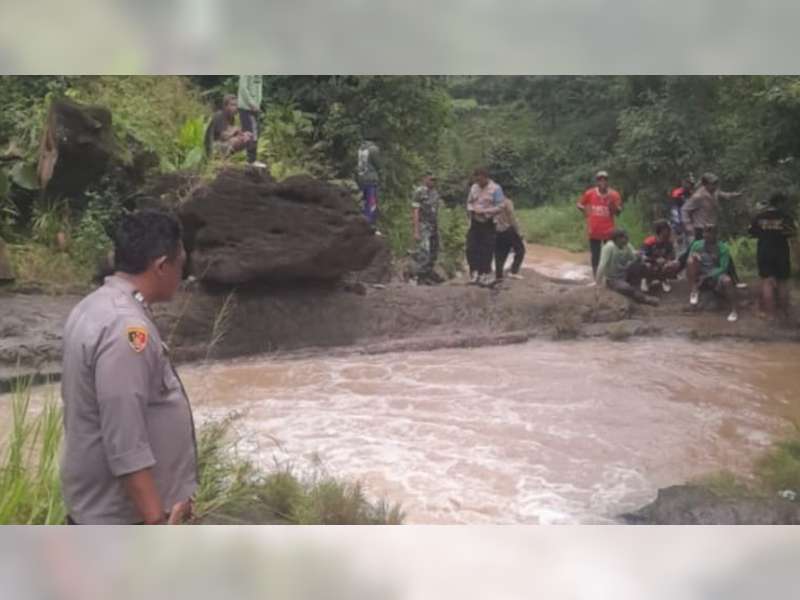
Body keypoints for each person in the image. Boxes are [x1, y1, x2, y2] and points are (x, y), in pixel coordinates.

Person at [60, 210, 197, 525]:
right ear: (162, 266)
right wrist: (155, 521)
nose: (183, 274)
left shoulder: (94, 306)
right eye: (181, 264)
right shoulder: (126, 329)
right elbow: (125, 441)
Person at [680, 171, 746, 287]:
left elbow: (723, 194)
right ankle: (689, 277)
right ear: (705, 184)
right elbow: (684, 210)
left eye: (716, 184)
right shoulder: (698, 196)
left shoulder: (714, 192)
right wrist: (688, 226)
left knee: (718, 252)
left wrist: (735, 195)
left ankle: (728, 278)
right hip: (701, 229)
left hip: (712, 228)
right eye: (712, 184)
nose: (715, 186)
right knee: (696, 254)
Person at [748, 192, 796, 320]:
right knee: (782, 282)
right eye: (784, 203)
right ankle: (785, 314)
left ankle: (771, 315)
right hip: (781, 253)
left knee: (767, 282)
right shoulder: (786, 217)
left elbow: (752, 233)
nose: (786, 205)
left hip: (764, 252)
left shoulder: (759, 217)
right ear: (779, 202)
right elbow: (792, 236)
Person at [686, 226, 739, 322]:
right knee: (690, 261)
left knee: (727, 281)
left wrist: (708, 276)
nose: (707, 235)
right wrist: (695, 256)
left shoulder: (723, 248)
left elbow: (723, 268)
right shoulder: (697, 245)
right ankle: (694, 291)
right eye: (705, 233)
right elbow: (689, 260)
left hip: (716, 275)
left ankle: (734, 310)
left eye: (710, 233)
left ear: (715, 235)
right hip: (700, 273)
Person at [577, 170, 623, 279]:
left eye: (605, 179)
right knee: (595, 255)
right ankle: (596, 278)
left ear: (608, 181)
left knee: (610, 254)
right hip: (594, 230)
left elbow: (618, 212)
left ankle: (609, 276)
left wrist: (614, 207)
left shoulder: (614, 195)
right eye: (600, 179)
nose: (603, 182)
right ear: (597, 182)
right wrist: (585, 210)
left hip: (609, 231)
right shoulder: (590, 193)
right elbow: (579, 204)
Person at [595, 229, 659, 305]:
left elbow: (634, 258)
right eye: (624, 238)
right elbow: (602, 265)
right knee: (627, 288)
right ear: (618, 238)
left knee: (641, 266)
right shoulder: (609, 247)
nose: (627, 239)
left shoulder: (627, 245)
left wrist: (640, 257)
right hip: (613, 279)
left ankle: (637, 289)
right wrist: (598, 285)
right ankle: (644, 298)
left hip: (624, 274)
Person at [466, 167, 505, 286]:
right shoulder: (474, 187)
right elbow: (469, 202)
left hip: (488, 221)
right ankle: (474, 273)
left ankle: (485, 274)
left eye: (480, 179)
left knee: (486, 249)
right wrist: (472, 209)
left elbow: (501, 206)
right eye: (476, 179)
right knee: (471, 248)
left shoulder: (496, 188)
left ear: (485, 177)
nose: (478, 182)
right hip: (475, 221)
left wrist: (485, 211)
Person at [410, 173, 442, 284]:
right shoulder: (419, 192)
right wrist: (416, 230)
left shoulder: (435, 192)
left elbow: (435, 210)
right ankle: (420, 276)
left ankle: (428, 272)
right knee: (424, 250)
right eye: (431, 179)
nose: (433, 182)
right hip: (423, 224)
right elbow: (415, 211)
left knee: (434, 249)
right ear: (424, 179)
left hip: (433, 224)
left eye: (435, 180)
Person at [204, 94, 254, 158]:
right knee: (238, 140)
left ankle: (229, 157)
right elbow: (223, 136)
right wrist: (235, 130)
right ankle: (220, 158)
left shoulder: (231, 118)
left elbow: (230, 134)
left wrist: (242, 134)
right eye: (232, 105)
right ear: (225, 106)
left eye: (236, 105)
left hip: (223, 144)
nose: (235, 108)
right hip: (212, 147)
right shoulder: (219, 115)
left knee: (247, 137)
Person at [639, 220, 680, 293]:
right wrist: (655, 260)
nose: (668, 231)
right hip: (651, 263)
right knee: (645, 265)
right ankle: (647, 280)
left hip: (663, 264)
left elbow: (672, 255)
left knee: (674, 264)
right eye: (666, 229)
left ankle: (664, 279)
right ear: (660, 230)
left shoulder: (669, 243)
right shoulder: (649, 242)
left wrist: (667, 261)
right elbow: (642, 256)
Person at [494, 196, 526, 282]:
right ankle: (513, 272)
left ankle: (499, 275)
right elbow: (512, 219)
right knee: (520, 250)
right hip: (508, 230)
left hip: (497, 231)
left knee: (500, 254)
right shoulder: (507, 202)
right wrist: (519, 232)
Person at [237, 75, 266, 168]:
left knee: (256, 132)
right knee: (251, 132)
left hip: (255, 107)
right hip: (246, 107)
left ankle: (251, 160)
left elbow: (258, 90)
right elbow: (243, 88)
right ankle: (251, 161)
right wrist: (252, 104)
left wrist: (257, 104)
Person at [356, 135, 381, 230]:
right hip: (371, 179)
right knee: (372, 202)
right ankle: (369, 223)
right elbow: (378, 164)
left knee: (363, 201)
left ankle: (362, 219)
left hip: (361, 177)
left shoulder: (361, 149)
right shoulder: (373, 149)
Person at [669, 175, 695, 256]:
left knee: (692, 247)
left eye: (691, 184)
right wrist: (677, 226)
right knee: (680, 249)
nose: (689, 185)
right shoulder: (677, 193)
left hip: (690, 225)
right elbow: (675, 211)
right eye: (688, 183)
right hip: (679, 225)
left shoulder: (692, 194)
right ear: (683, 182)